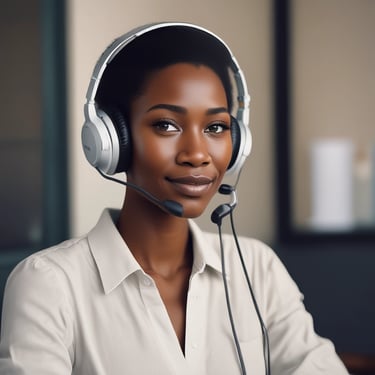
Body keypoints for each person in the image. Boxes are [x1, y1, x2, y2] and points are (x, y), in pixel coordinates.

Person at [0, 22, 348, 375]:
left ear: (238, 141)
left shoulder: (257, 269)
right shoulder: (49, 284)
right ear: (110, 141)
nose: (197, 154)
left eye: (216, 127)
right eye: (166, 125)